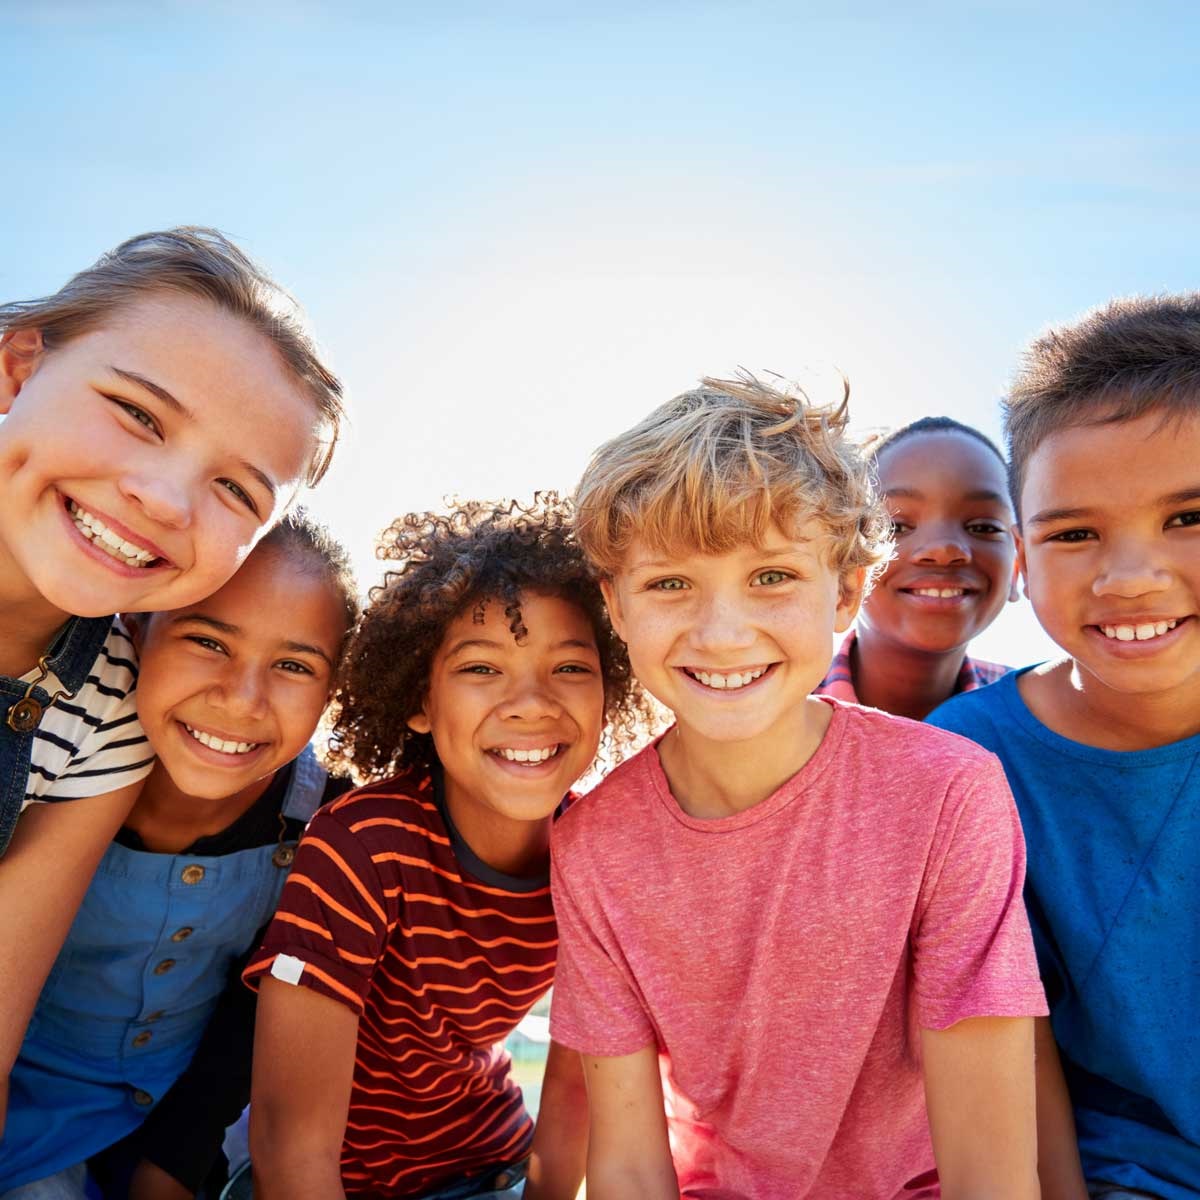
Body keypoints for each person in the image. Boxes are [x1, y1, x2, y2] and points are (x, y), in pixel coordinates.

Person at [551, 374, 1049, 1199]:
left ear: (846, 591)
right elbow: (632, 1168)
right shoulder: (593, 846)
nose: (722, 634)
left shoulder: (950, 794)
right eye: (670, 583)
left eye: (772, 577)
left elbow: (989, 1173)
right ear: (617, 605)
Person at [0, 228, 345, 1131]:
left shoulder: (108, 711)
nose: (163, 497)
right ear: (19, 367)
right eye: (139, 413)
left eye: (237, 491)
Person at [244, 496, 652, 1200]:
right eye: (481, 669)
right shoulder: (362, 846)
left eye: (570, 668)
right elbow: (291, 1147)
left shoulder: (600, 857)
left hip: (495, 1166)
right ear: (420, 701)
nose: (532, 702)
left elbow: (572, 1094)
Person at [0, 513, 359, 1200]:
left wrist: (169, 1170)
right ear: (135, 629)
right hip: (24, 1113)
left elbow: (249, 1021)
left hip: (191, 1125)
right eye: (207, 641)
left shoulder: (329, 817)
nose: (242, 700)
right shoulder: (50, 761)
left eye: (294, 665)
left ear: (334, 689)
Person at [928, 295, 1200, 1200]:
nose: (1131, 578)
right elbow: (1009, 1046)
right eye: (1074, 533)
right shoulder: (966, 763)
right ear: (1021, 558)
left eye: (1188, 516)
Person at [817, 416, 1017, 718]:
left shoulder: (1043, 721)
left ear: (1017, 566)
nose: (943, 550)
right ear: (845, 565)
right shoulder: (770, 716)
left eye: (983, 527)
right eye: (895, 527)